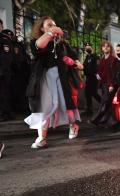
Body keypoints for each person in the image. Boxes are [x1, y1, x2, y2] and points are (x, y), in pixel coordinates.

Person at [24, 16, 83, 149]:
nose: (53, 26)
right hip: (44, 79)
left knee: (65, 104)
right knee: (43, 106)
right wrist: (50, 33)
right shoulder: (36, 41)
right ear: (41, 28)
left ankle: (73, 125)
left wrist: (75, 63)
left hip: (62, 79)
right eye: (49, 25)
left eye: (54, 24)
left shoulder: (63, 44)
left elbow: (77, 61)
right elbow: (39, 46)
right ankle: (42, 137)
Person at [91, 41, 118, 127]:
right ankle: (110, 122)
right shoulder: (102, 59)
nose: (105, 48)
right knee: (107, 103)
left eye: (107, 46)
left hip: (109, 84)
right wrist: (98, 75)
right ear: (102, 48)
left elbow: (114, 74)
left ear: (110, 48)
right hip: (103, 84)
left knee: (104, 102)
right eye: (104, 46)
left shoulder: (113, 59)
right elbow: (100, 71)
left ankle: (96, 120)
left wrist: (111, 85)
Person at [0, 25, 15, 121]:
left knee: (3, 94)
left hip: (3, 72)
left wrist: (3, 70)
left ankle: (4, 114)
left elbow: (6, 57)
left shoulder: (4, 39)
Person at [82, 42, 100, 115]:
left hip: (94, 78)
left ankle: (105, 106)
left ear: (92, 48)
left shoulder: (96, 56)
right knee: (87, 94)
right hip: (88, 78)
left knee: (94, 93)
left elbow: (97, 67)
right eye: (86, 47)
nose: (87, 48)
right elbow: (84, 66)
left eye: (89, 47)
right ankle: (89, 110)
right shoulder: (87, 57)